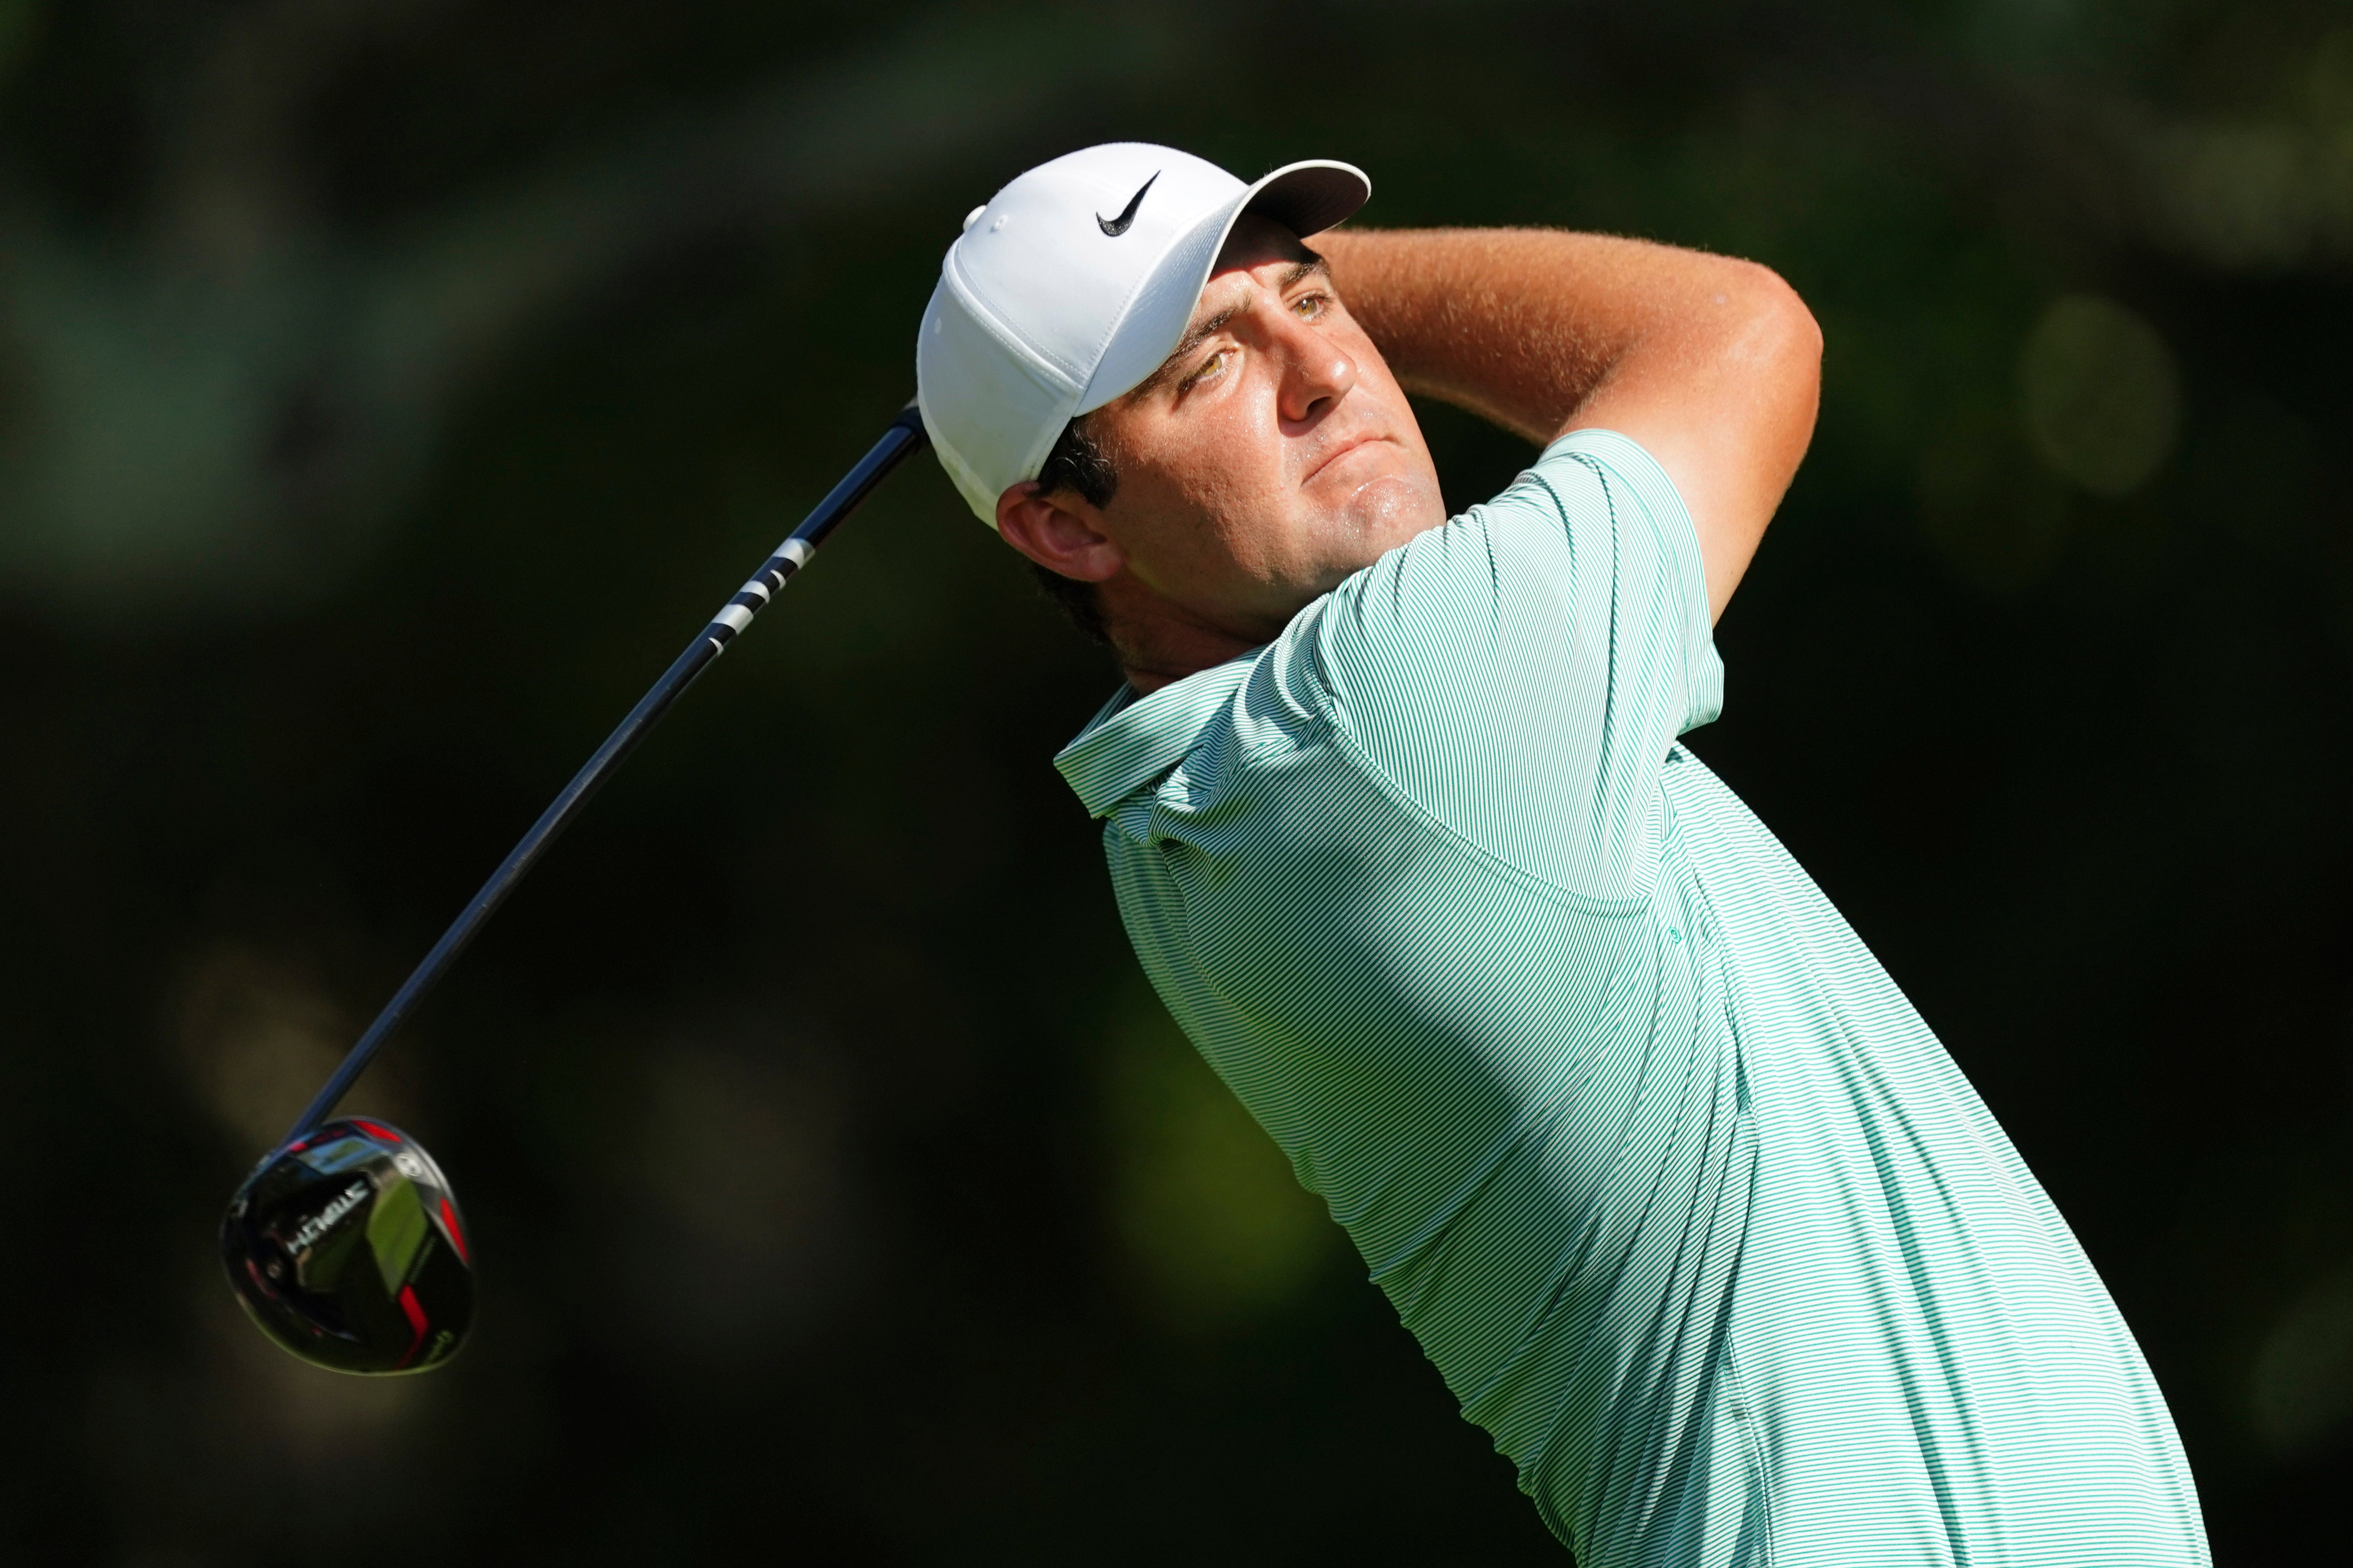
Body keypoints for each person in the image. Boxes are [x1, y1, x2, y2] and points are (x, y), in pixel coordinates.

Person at [913, 143, 2209, 1566]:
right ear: (1062, 525)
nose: (1328, 374)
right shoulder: (1389, 705)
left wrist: (1226, 300)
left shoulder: (1179, 823)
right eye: (1208, 368)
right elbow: (1738, 330)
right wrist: (1360, 274)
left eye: (1314, 303)